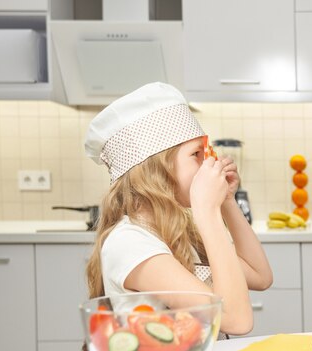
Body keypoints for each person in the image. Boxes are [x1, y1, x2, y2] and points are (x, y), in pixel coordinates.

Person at [83, 82, 273, 338]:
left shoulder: (175, 231)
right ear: (157, 169)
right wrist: (207, 211)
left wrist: (227, 201)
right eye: (196, 154)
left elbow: (261, 276)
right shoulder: (130, 243)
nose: (210, 162)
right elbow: (237, 321)